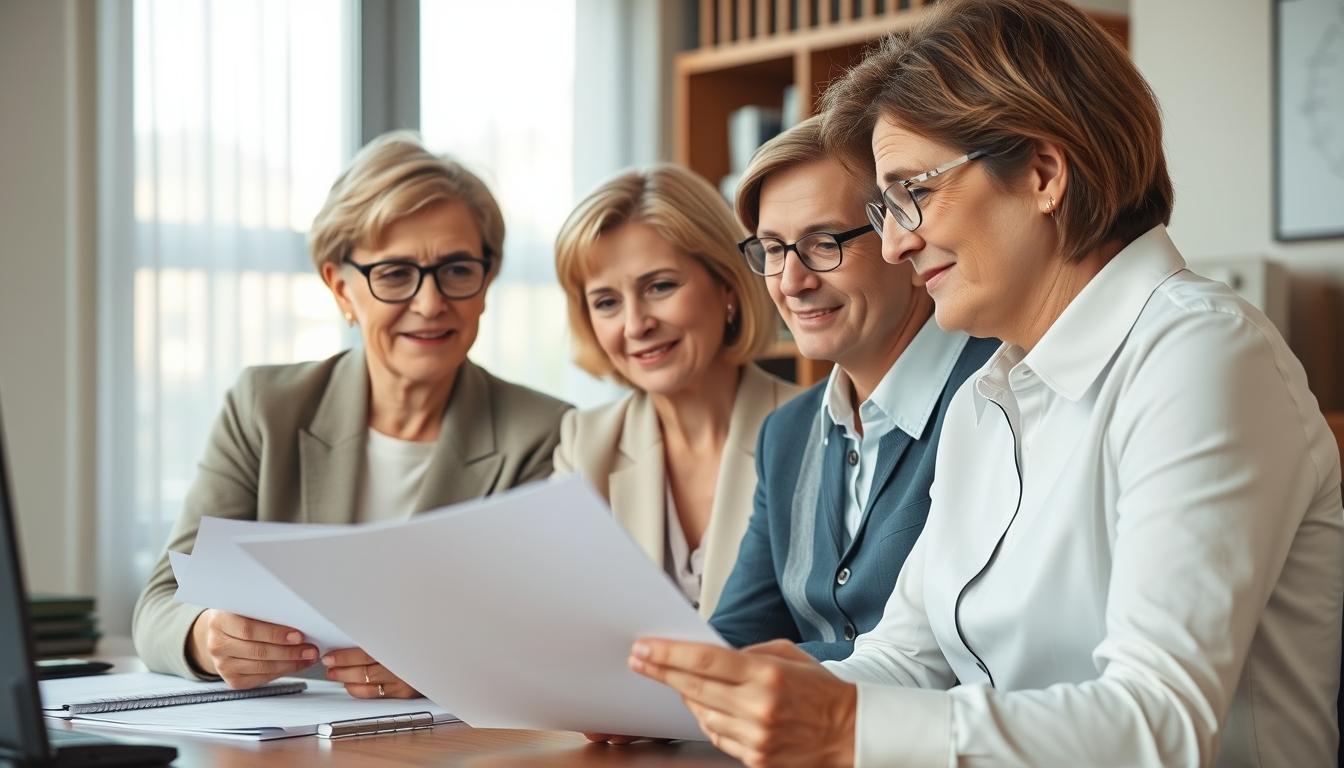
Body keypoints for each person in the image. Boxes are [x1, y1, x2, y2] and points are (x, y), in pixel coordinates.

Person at [626, 1, 1344, 765]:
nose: (897, 243)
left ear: (1042, 172)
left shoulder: (1199, 353)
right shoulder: (988, 395)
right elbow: (911, 658)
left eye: (914, 194)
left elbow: (1160, 725)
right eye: (884, 207)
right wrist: (741, 687)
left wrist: (842, 725)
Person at [133, 132, 571, 698]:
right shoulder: (266, 408)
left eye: (458, 270)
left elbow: (552, 632)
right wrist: (206, 636)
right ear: (340, 287)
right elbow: (161, 603)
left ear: (487, 282)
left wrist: (453, 662)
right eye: (394, 274)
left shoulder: (547, 434)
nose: (431, 302)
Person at [708, 116, 997, 661]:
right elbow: (737, 633)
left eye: (823, 243)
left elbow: (962, 657)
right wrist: (647, 685)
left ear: (902, 237)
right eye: (773, 249)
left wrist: (743, 675)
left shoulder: (997, 393)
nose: (792, 282)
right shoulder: (788, 434)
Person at [552, 164, 799, 618]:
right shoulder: (584, 445)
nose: (635, 325)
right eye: (606, 302)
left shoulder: (815, 429)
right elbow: (556, 613)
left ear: (727, 286)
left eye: (660, 286)